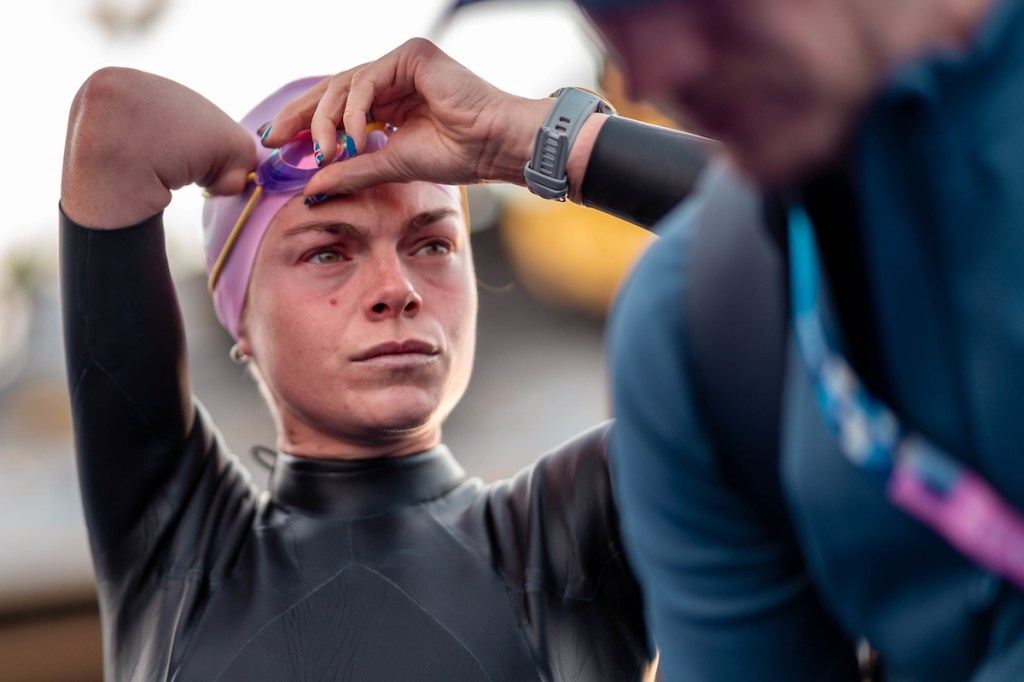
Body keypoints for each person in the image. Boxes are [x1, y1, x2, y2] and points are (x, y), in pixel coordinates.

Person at [259, 0, 1024, 678]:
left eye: (433, 244)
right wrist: (536, 144)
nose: (653, 70)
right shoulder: (699, 332)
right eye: (608, 14)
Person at [59, 67, 655, 681]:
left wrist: (535, 141)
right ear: (239, 316)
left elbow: (755, 241)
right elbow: (117, 119)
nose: (396, 290)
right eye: (327, 251)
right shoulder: (179, 551)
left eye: (432, 245)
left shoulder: (578, 531)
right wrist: (250, 162)